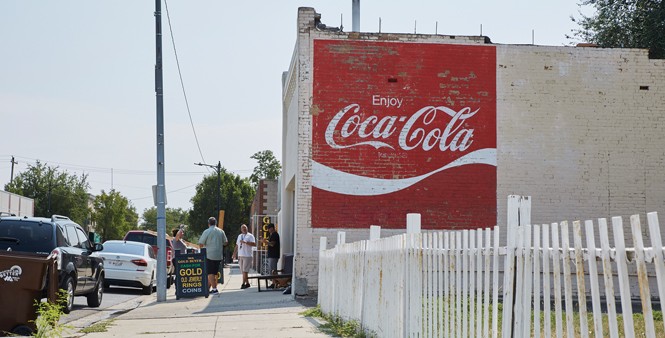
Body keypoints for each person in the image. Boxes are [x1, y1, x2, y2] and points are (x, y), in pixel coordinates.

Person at [198, 217, 228, 295]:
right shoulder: (221, 231)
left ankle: (214, 289)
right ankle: (208, 288)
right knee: (215, 273)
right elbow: (226, 242)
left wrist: (203, 246)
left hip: (209, 254)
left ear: (208, 223)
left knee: (210, 273)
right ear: (216, 223)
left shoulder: (206, 231)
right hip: (218, 255)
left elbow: (201, 243)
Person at [232, 224, 255, 289]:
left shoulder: (250, 236)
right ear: (241, 229)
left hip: (247, 255)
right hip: (240, 255)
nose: (244, 229)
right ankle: (247, 283)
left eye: (245, 228)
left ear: (247, 229)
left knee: (245, 270)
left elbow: (254, 244)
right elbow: (237, 245)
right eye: (243, 228)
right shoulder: (239, 236)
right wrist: (234, 254)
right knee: (243, 271)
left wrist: (246, 242)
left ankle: (243, 284)